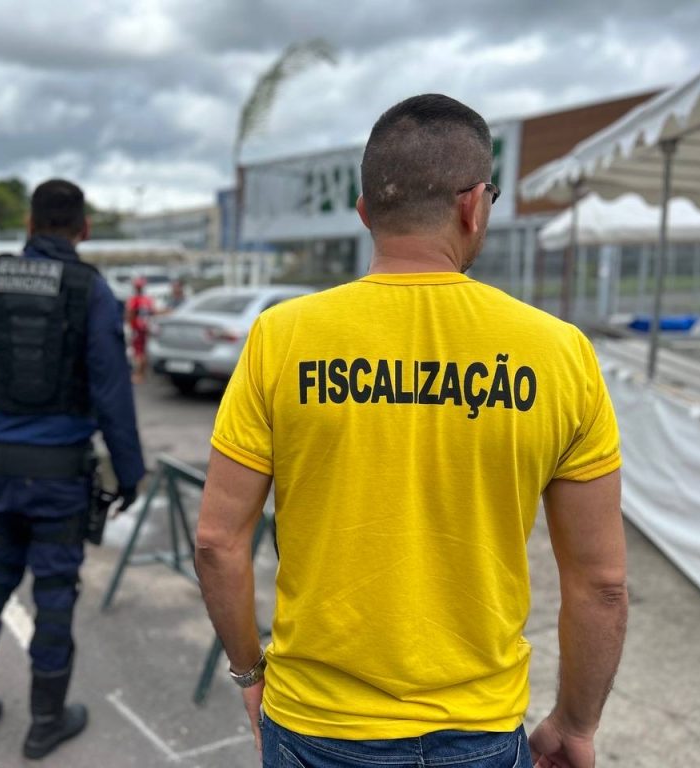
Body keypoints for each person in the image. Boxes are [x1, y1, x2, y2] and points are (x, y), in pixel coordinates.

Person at [195, 94, 627, 768]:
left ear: (364, 213)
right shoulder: (559, 352)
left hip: (315, 723)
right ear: (474, 204)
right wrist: (575, 723)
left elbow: (218, 542)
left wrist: (251, 675)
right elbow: (601, 583)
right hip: (478, 729)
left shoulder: (282, 338)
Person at [0, 179, 145, 760]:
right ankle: (45, 722)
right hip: (59, 477)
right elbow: (112, 391)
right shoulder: (91, 291)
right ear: (84, 229)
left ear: (29, 225)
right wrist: (129, 474)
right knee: (53, 590)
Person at [124, 276, 156, 382]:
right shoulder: (148, 299)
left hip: (137, 328)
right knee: (143, 351)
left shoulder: (134, 300)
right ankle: (142, 373)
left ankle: (138, 374)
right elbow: (152, 312)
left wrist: (128, 324)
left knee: (138, 352)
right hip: (146, 327)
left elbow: (130, 313)